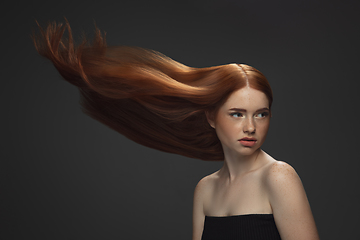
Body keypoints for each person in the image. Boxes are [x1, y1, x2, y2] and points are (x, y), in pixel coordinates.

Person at [33, 20, 320, 240]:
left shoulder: (279, 176)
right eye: (237, 114)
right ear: (211, 117)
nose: (250, 127)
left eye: (261, 114)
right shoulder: (205, 190)